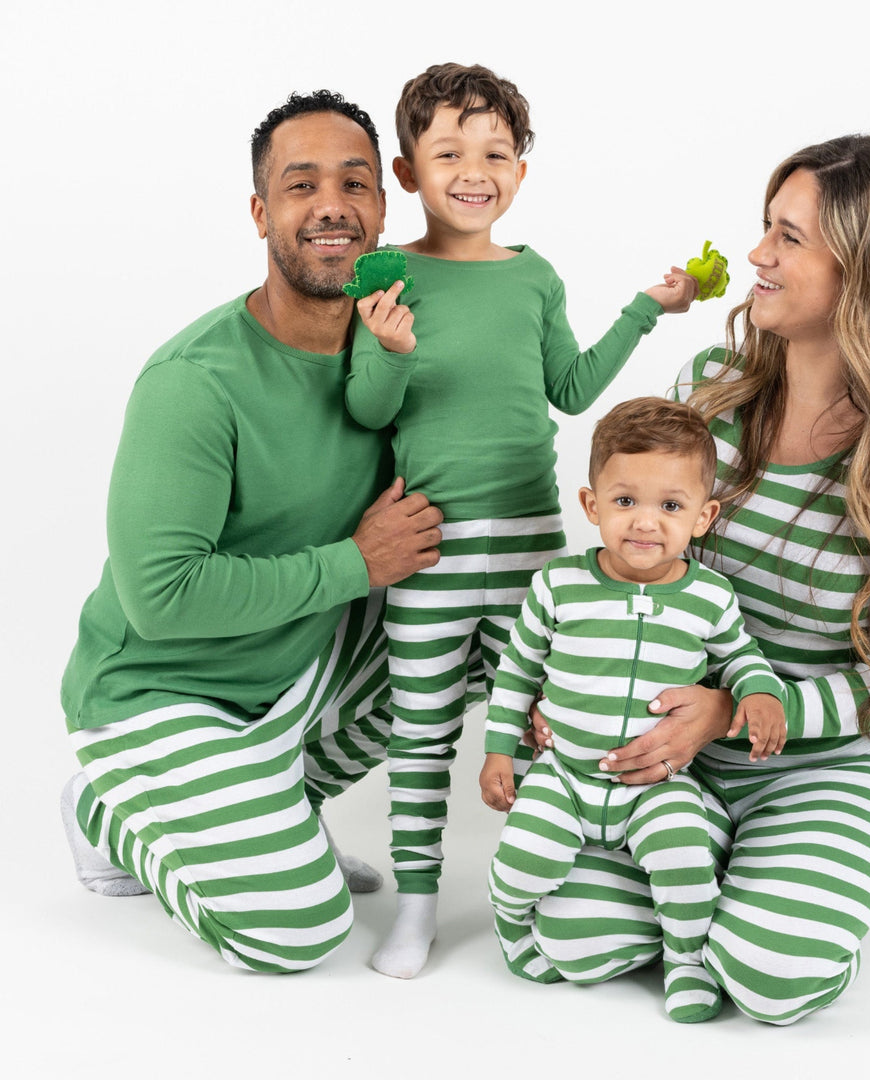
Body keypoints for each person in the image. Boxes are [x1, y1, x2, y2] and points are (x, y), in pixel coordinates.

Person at [524, 133, 870, 1024]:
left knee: (774, 978)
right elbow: (645, 569)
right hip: (678, 751)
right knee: (570, 937)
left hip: (827, 764)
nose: (756, 256)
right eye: (764, 228)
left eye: (789, 238)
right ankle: (716, 883)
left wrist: (738, 712)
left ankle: (761, 896)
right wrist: (585, 682)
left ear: (868, 270)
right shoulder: (713, 389)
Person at [58, 90, 464, 973]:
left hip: (292, 669)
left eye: (354, 183)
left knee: (467, 630)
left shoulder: (389, 343)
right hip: (160, 689)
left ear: (381, 211)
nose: (331, 205)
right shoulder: (194, 382)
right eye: (300, 184)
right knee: (297, 932)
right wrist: (357, 563)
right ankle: (108, 808)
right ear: (260, 213)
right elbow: (161, 601)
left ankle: (267, 806)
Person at [345, 62, 699, 980]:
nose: (474, 169)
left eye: (496, 152)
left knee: (544, 719)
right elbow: (369, 414)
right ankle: (417, 908)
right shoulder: (387, 278)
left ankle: (563, 884)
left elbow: (571, 389)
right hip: (427, 551)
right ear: (406, 170)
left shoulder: (533, 275)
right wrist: (386, 350)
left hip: (533, 551)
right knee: (419, 731)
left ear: (521, 172)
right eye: (450, 151)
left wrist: (646, 311)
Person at [480, 396, 786, 1023]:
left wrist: (760, 693)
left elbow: (743, 657)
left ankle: (687, 962)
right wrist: (498, 751)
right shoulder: (558, 584)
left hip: (657, 784)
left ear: (703, 517)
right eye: (625, 502)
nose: (646, 523)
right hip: (565, 778)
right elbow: (516, 671)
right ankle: (513, 930)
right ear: (592, 505)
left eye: (670, 506)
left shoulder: (709, 596)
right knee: (521, 860)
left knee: (682, 857)